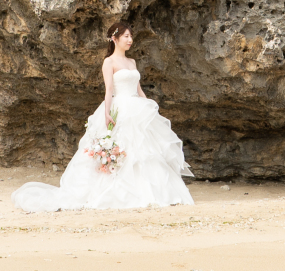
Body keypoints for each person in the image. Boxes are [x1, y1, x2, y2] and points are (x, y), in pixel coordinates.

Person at [12, 21, 194, 211]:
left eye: (131, 36)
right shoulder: (109, 62)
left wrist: (150, 109)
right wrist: (107, 112)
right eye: (126, 36)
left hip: (137, 108)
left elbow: (139, 89)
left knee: (145, 150)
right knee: (121, 148)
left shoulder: (132, 62)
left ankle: (154, 193)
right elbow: (109, 90)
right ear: (115, 39)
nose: (130, 40)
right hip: (119, 107)